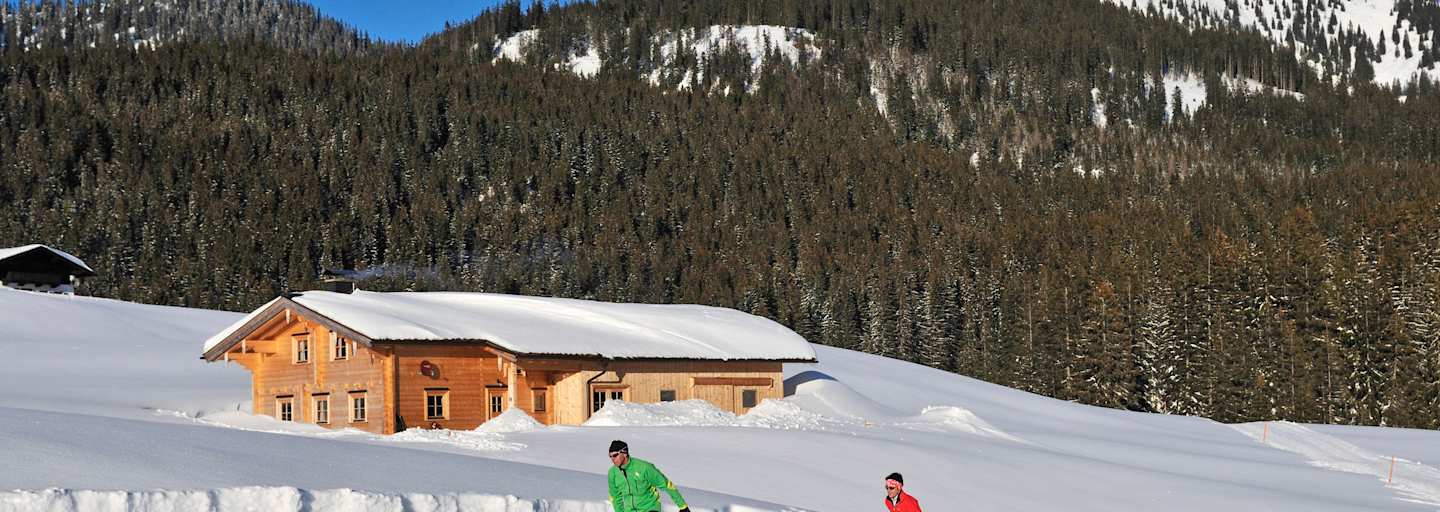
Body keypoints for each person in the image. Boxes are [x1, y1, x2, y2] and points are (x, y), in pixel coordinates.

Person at [607, 440, 689, 512]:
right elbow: (615, 497)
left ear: (624, 453)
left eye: (615, 455)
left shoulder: (644, 468)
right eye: (610, 456)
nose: (612, 459)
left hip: (650, 508)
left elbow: (666, 485)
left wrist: (683, 506)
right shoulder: (612, 473)